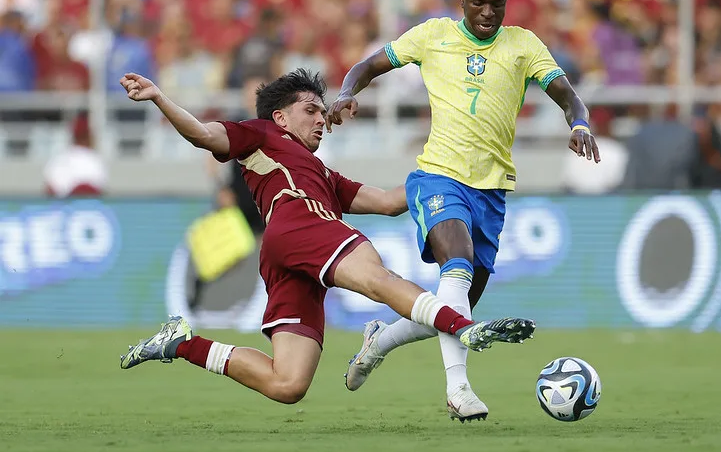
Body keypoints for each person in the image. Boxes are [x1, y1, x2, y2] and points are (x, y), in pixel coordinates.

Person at [118, 68, 535, 406]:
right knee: (377, 279)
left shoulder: (323, 175)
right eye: (311, 110)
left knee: (288, 384)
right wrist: (159, 98)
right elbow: (203, 134)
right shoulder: (261, 133)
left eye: (322, 112)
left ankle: (180, 344)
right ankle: (463, 327)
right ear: (280, 117)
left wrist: (440, 170)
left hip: (284, 254)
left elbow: (390, 202)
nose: (322, 119)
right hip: (299, 225)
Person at [327, 0, 600, 422]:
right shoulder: (432, 35)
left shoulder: (524, 45)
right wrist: (347, 92)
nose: (488, 13)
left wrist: (579, 123)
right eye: (478, 3)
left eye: (497, 4)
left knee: (452, 314)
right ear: (462, 1)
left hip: (491, 192)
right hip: (438, 176)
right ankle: (460, 391)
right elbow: (369, 65)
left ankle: (380, 339)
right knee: (456, 266)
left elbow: (567, 94)